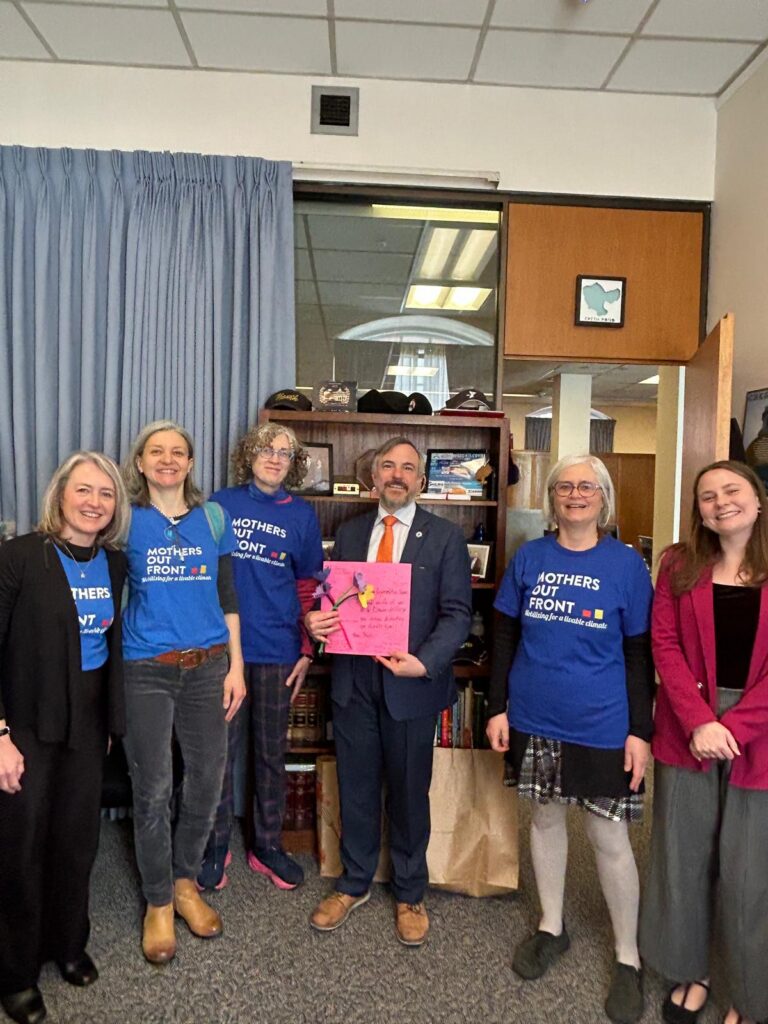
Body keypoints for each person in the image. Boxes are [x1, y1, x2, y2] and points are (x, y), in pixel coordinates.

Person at [486, 453, 654, 1024]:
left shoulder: (626, 565)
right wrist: (497, 708)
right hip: (535, 716)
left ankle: (627, 956)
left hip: (602, 722)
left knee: (609, 837)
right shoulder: (529, 557)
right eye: (564, 487)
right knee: (545, 819)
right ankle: (551, 926)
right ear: (552, 498)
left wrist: (640, 731)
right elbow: (504, 635)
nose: (575, 495)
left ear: (603, 498)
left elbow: (639, 653)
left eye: (587, 487)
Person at [305, 436, 472, 946]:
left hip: (411, 686)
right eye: (388, 466)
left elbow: (457, 615)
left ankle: (409, 891)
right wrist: (316, 620)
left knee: (408, 792)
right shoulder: (349, 532)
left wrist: (425, 662)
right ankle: (353, 882)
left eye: (407, 468)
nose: (397, 475)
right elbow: (331, 598)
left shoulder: (445, 537)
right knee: (355, 788)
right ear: (374, 477)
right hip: (353, 683)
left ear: (420, 481)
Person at [0, 452, 129, 1024]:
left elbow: (111, 649)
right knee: (20, 847)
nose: (94, 502)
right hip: (25, 723)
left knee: (77, 841)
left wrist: (109, 725)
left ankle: (67, 944)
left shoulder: (115, 564)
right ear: (60, 495)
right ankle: (15, 973)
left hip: (88, 724)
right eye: (83, 490)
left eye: (106, 493)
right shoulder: (20, 556)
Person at [640, 460, 768, 1024]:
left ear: (758, 498)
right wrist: (699, 722)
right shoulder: (678, 562)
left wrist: (733, 727)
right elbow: (664, 644)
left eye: (732, 491)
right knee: (683, 856)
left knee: (750, 871)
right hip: (687, 725)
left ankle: (751, 993)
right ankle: (691, 968)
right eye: (707, 496)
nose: (720, 503)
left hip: (760, 733)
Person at [121, 420, 246, 965]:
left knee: (207, 781)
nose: (168, 459)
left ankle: (184, 881)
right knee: (152, 789)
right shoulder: (125, 520)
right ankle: (157, 902)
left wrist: (237, 667)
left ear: (191, 463)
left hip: (208, 667)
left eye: (178, 452)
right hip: (145, 669)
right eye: (157, 451)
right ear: (140, 462)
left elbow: (228, 597)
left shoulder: (213, 518)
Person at [199, 422, 322, 891]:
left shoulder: (302, 516)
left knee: (271, 754)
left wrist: (307, 649)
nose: (274, 458)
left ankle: (267, 846)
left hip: (277, 650)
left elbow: (308, 586)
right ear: (249, 455)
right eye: (266, 449)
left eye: (284, 453)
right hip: (223, 651)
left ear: (294, 464)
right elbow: (203, 573)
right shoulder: (221, 505)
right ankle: (214, 845)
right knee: (218, 754)